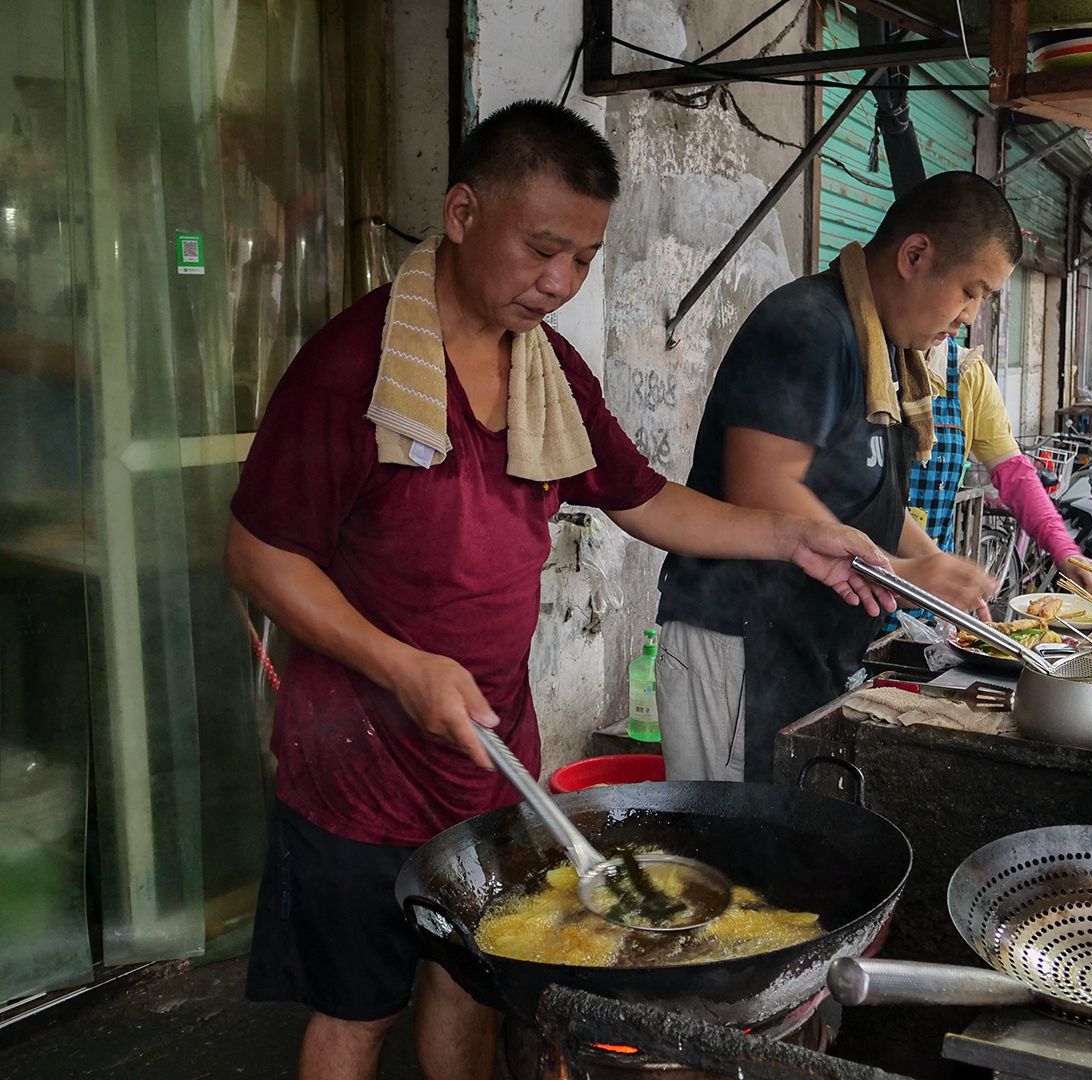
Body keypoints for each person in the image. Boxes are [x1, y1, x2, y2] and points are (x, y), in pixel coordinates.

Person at [225, 101, 898, 1080]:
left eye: (582, 257)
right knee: (356, 1012)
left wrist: (789, 532)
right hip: (356, 771)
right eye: (542, 248)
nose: (560, 281)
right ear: (462, 213)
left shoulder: (549, 374)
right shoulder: (350, 373)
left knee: (473, 986)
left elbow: (647, 500)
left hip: (489, 759)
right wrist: (401, 665)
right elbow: (257, 555)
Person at [655, 171, 1011, 784]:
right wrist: (907, 576)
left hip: (804, 641)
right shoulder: (811, 328)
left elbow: (862, 493)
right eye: (970, 291)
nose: (969, 317)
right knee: (735, 857)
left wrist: (933, 563)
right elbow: (763, 492)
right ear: (916, 255)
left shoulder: (884, 351)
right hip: (740, 643)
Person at [907, 338, 1092, 594]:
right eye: (966, 295)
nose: (967, 315)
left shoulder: (967, 372)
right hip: (859, 584)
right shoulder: (868, 361)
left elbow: (1014, 472)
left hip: (932, 593)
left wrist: (1065, 550)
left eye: (980, 298)